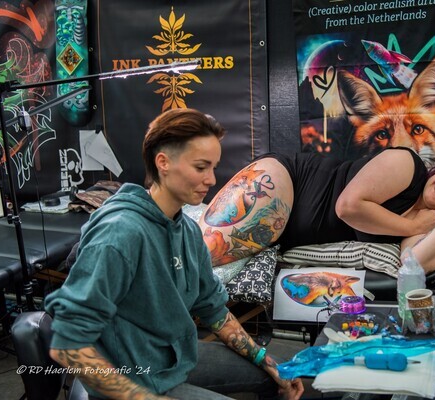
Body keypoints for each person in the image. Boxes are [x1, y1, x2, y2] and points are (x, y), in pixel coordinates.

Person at [44, 108, 304, 400]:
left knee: (278, 373)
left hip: (174, 358)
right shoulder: (121, 233)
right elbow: (68, 342)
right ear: (163, 163)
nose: (211, 179)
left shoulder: (187, 231)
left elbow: (214, 311)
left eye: (213, 167)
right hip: (133, 378)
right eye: (201, 167)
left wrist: (266, 362)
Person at [200, 147, 435, 273]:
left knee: (200, 264)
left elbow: (416, 264)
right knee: (200, 256)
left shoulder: (426, 220)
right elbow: (349, 207)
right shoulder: (408, 166)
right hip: (285, 182)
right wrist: (412, 227)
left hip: (284, 232)